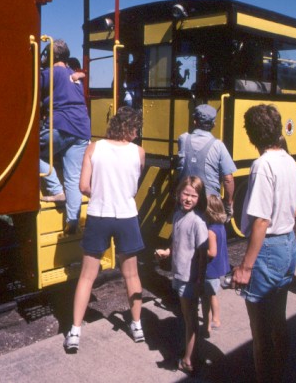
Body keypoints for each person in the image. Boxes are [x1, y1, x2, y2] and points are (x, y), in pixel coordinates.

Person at [64, 106, 145, 351]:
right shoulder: (139, 152)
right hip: (126, 215)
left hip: (99, 214)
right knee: (131, 275)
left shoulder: (94, 148)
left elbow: (83, 186)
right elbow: (133, 185)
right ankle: (137, 325)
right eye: (137, 129)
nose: (137, 134)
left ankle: (75, 331)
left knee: (87, 276)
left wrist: (100, 191)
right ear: (131, 128)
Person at [231, 104, 296, 383]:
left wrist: (246, 267)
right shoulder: (289, 161)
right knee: (278, 323)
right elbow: (293, 211)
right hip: (289, 245)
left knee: (260, 332)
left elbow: (261, 220)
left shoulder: (263, 165)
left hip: (269, 249)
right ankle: (280, 375)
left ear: (251, 134)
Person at [155, 176, 208, 374]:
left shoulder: (197, 222)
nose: (188, 199)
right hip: (179, 274)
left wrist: (200, 279)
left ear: (199, 198)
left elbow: (203, 253)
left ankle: (188, 360)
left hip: (190, 278)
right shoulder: (178, 215)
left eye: (193, 196)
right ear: (178, 194)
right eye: (185, 194)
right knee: (187, 317)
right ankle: (193, 352)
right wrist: (168, 252)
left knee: (190, 318)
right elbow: (178, 240)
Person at [40, 40, 91, 234]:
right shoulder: (72, 74)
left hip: (61, 124)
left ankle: (55, 190)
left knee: (31, 152)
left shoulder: (51, 73)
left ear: (51, 56)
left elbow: (31, 88)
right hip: (82, 128)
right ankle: (73, 219)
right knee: (74, 176)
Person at [177, 104, 236, 220]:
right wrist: (228, 204)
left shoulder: (183, 139)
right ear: (214, 124)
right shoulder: (218, 145)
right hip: (208, 204)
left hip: (187, 200)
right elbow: (228, 179)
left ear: (194, 122)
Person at [202, 194, 230, 338]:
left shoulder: (210, 231)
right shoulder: (221, 226)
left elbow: (211, 252)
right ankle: (216, 319)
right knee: (212, 295)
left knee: (206, 298)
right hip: (218, 267)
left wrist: (199, 250)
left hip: (209, 269)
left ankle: (207, 326)